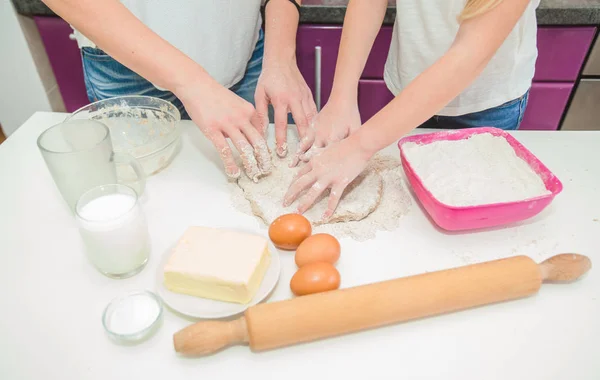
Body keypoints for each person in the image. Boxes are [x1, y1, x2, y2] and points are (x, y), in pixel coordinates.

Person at [284, 0, 538, 219]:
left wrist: (360, 145)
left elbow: (469, 53)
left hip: (486, 102)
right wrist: (341, 95)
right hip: (408, 89)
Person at [42, 0, 316, 182]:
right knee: (153, 192)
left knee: (267, 169)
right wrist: (193, 83)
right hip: (127, 62)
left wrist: (281, 56)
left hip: (245, 50)